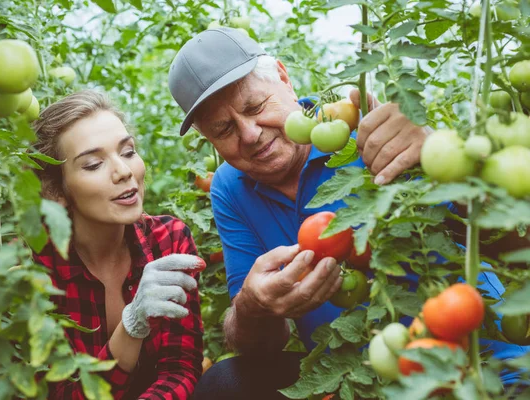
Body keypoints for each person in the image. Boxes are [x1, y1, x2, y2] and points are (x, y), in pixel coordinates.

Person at [167, 28, 529, 399]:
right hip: (354, 380)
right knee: (225, 383)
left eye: (255, 107)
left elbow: (514, 242)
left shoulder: (365, 131)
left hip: (480, 365)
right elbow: (257, 344)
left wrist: (438, 157)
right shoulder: (228, 187)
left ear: (283, 77)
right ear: (206, 138)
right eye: (223, 129)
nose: (249, 134)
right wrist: (252, 308)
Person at [31, 90, 204, 400]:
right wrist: (130, 326)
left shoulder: (169, 239)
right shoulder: (33, 268)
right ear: (55, 189)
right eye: (93, 164)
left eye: (127, 152)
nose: (124, 171)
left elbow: (179, 368)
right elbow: (59, 394)